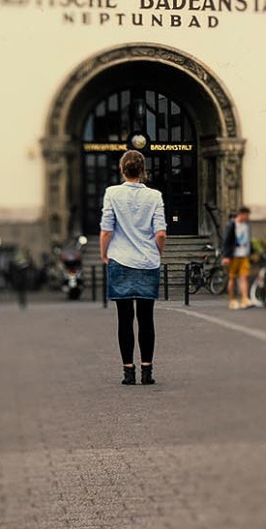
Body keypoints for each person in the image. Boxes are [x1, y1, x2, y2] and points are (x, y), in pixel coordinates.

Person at [100, 148, 167, 384]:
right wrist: (157, 253)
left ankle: (128, 372)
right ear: (143, 170)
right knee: (146, 318)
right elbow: (161, 233)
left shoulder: (112, 193)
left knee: (124, 318)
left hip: (120, 259)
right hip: (147, 261)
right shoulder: (155, 196)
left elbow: (106, 230)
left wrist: (104, 253)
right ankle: (147, 372)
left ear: (122, 169)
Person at [221, 205, 255, 310]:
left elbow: (248, 240)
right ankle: (232, 300)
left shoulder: (246, 225)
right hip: (234, 256)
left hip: (244, 255)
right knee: (232, 278)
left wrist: (252, 252)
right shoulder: (232, 225)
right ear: (241, 214)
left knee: (244, 277)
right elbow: (227, 241)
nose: (248, 218)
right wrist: (226, 256)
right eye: (247, 215)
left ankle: (244, 299)